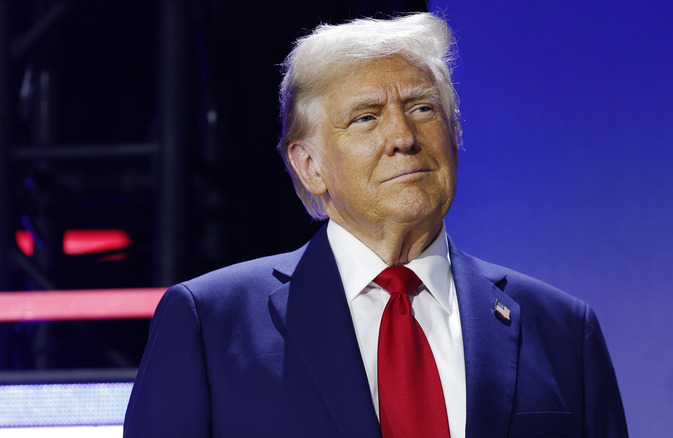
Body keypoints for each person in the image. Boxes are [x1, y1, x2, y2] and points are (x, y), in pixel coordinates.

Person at [123, 12, 628, 438]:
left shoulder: (562, 329)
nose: (404, 136)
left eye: (423, 108)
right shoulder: (209, 325)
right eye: (366, 117)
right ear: (309, 166)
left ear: (454, 138)